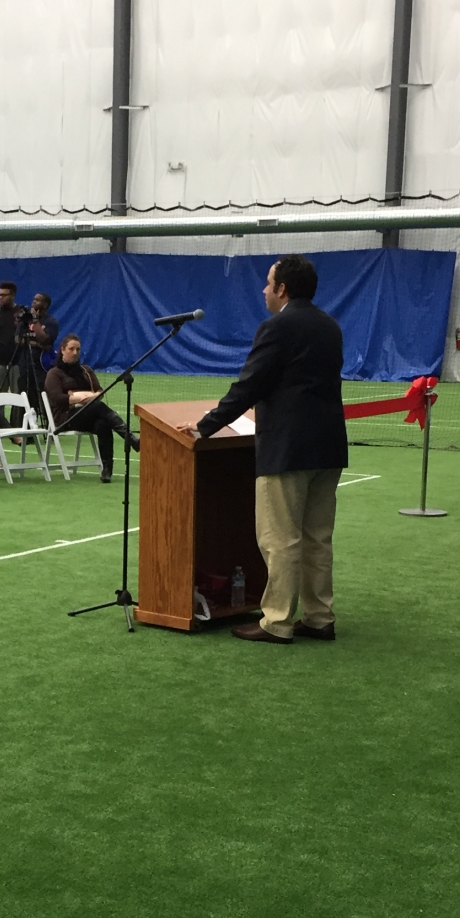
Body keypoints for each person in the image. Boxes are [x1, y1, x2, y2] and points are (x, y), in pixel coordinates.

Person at [180, 257, 346, 644]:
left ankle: (277, 621)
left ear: (282, 288)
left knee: (281, 538)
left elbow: (249, 386)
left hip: (288, 448)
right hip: (328, 447)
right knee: (317, 537)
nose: (263, 290)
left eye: (268, 283)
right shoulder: (330, 326)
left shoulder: (276, 327)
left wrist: (205, 426)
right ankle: (320, 618)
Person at [42, 334, 138, 483]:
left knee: (103, 424)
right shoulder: (53, 373)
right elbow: (57, 398)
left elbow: (99, 391)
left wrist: (90, 397)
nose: (75, 353)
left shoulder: (86, 370)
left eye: (78, 349)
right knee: (98, 406)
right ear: (62, 350)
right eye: (71, 349)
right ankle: (129, 437)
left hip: (87, 414)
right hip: (65, 417)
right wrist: (79, 398)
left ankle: (107, 470)